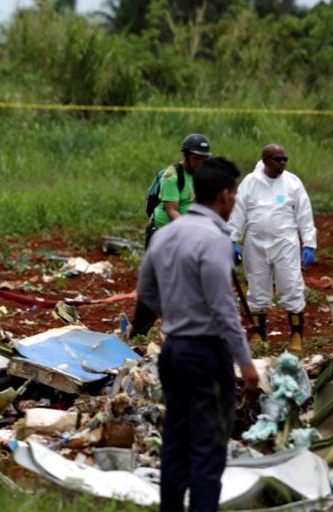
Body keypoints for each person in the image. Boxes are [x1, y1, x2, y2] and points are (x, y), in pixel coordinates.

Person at [137, 157, 259, 512]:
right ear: (224, 195)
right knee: (207, 447)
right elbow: (223, 309)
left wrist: (175, 313)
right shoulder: (214, 239)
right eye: (234, 194)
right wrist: (246, 364)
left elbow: (145, 291)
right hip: (205, 353)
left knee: (176, 441)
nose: (234, 201)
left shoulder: (167, 233)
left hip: (172, 350)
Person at [229, 144, 317, 355]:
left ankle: (296, 336)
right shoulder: (250, 183)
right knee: (257, 288)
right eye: (278, 159)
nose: (283, 163)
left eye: (285, 159)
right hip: (256, 243)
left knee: (291, 285)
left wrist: (309, 243)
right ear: (266, 160)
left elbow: (304, 214)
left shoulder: (292, 183)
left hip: (285, 243)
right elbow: (238, 211)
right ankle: (259, 335)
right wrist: (232, 240)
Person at [130, 133, 212, 337]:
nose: (200, 163)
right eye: (196, 158)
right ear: (186, 156)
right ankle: (139, 333)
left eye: (204, 159)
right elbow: (171, 209)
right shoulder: (172, 176)